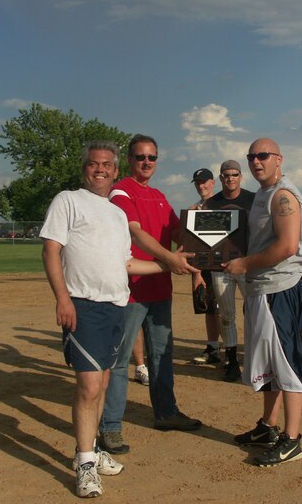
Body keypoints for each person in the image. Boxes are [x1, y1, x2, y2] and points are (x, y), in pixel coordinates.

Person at [42, 141, 175, 498]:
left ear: (116, 171)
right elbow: (51, 249)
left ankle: (93, 450)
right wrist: (62, 298)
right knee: (87, 387)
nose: (99, 169)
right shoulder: (67, 200)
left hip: (116, 306)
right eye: (93, 164)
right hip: (83, 306)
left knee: (101, 384)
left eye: (106, 165)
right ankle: (85, 463)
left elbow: (128, 264)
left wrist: (173, 263)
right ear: (84, 168)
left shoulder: (117, 214)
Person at [98, 135, 201, 455]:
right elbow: (134, 232)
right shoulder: (121, 191)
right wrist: (169, 259)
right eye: (141, 157)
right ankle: (111, 425)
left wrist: (201, 226)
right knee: (118, 360)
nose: (147, 162)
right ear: (129, 159)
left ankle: (166, 412)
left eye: (152, 158)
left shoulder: (158, 195)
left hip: (159, 289)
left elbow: (178, 231)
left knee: (161, 354)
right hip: (130, 290)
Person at [227, 138, 302, 467]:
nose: (256, 161)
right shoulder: (264, 193)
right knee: (272, 363)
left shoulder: (283, 195)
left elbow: (289, 245)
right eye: (251, 156)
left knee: (287, 362)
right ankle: (268, 427)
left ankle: (292, 439)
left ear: (279, 159)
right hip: (264, 287)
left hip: (280, 288)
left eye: (263, 156)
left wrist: (245, 264)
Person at [202, 160, 256, 383]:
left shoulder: (253, 199)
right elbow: (203, 237)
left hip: (246, 264)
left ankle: (254, 360)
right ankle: (231, 361)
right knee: (227, 316)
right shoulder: (212, 202)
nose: (230, 178)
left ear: (241, 176)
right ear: (221, 178)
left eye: (234, 174)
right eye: (226, 175)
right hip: (220, 266)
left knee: (254, 313)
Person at [188, 168, 223, 367]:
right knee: (209, 308)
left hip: (226, 263)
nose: (201, 186)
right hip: (206, 265)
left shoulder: (223, 204)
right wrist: (196, 272)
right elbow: (193, 244)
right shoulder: (194, 209)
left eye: (204, 182)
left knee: (228, 311)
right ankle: (213, 348)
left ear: (212, 182)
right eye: (197, 182)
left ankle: (233, 350)